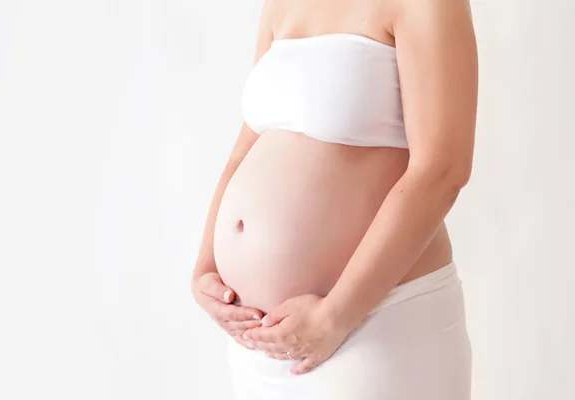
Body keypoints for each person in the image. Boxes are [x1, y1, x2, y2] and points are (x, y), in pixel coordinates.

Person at [191, 0, 478, 398]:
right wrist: (205, 269)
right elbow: (247, 146)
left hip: (375, 330)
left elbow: (443, 170)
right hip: (259, 345)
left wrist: (335, 317)